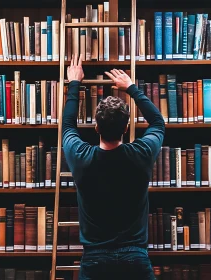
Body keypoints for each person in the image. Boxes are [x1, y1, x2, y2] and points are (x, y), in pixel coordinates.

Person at [62, 55, 165, 280]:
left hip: (94, 259)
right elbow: (158, 123)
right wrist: (131, 88)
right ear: (126, 128)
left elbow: (67, 125)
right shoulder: (141, 154)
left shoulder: (80, 156)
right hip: (136, 258)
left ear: (96, 127)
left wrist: (74, 84)